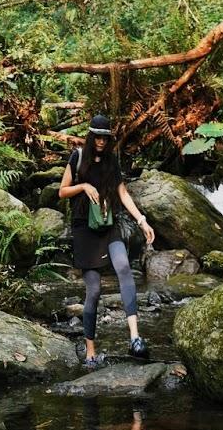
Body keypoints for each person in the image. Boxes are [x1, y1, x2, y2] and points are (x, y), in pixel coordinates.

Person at [58, 113, 155, 369]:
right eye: (97, 137)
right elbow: (62, 191)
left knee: (124, 268)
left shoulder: (112, 161)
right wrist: (83, 186)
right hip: (84, 229)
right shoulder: (78, 157)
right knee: (94, 290)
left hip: (108, 225)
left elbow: (123, 194)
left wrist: (142, 220)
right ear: (91, 136)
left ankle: (135, 338)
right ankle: (90, 351)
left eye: (105, 138)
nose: (101, 142)